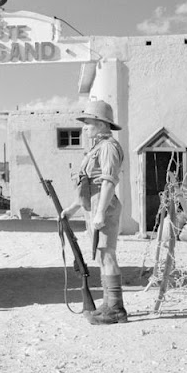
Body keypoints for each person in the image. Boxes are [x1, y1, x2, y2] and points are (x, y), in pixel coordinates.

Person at [60, 100, 126, 325]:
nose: (85, 128)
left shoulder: (108, 147)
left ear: (100, 124)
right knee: (100, 255)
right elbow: (88, 186)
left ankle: (116, 308)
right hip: (95, 205)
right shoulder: (96, 149)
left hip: (103, 205)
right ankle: (108, 304)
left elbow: (108, 182)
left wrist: (100, 212)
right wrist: (72, 209)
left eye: (88, 123)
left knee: (107, 254)